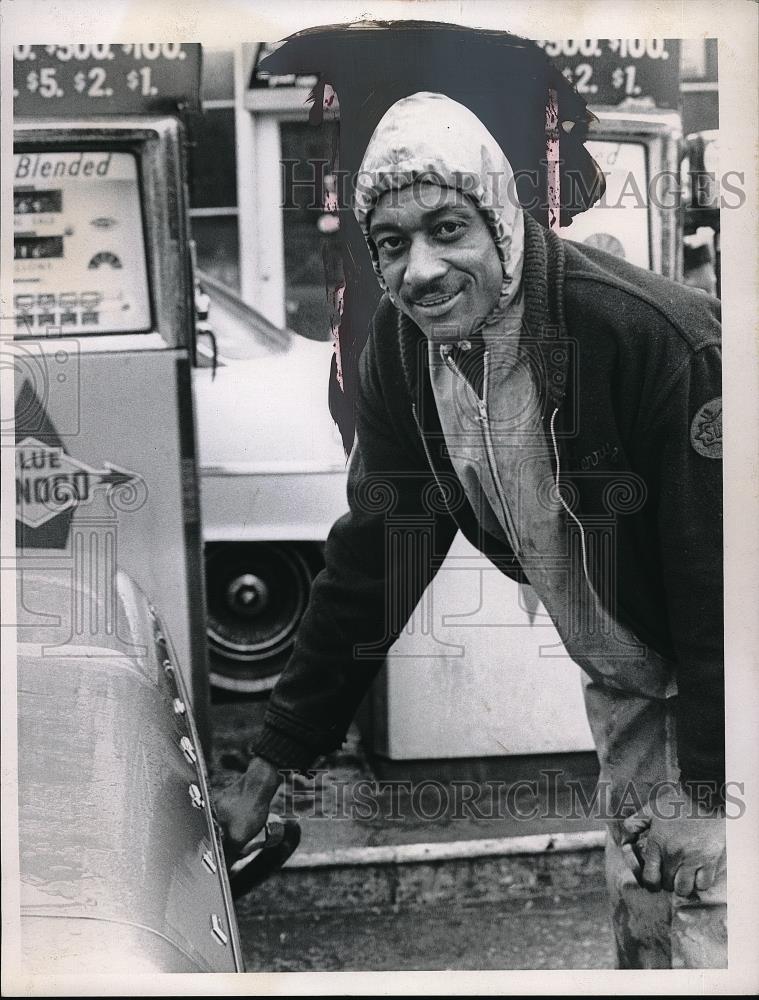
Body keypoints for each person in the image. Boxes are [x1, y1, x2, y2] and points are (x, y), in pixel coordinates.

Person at [217, 90, 726, 969]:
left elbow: (726, 587)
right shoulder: (406, 354)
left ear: (503, 219)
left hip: (732, 690)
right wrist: (267, 769)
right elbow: (373, 559)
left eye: (448, 228)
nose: (420, 269)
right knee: (651, 935)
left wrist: (712, 791)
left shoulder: (652, 341)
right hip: (634, 686)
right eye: (391, 242)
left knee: (718, 932)